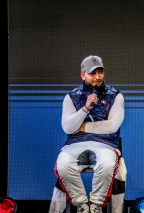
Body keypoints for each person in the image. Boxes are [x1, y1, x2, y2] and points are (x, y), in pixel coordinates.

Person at [49, 55, 127, 213]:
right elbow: (67, 127)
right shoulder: (71, 97)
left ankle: (96, 205)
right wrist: (85, 108)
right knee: (63, 165)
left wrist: (83, 127)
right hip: (76, 144)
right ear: (83, 75)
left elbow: (112, 126)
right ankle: (82, 206)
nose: (98, 77)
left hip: (106, 144)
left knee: (107, 164)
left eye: (100, 72)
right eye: (93, 73)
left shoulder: (116, 96)